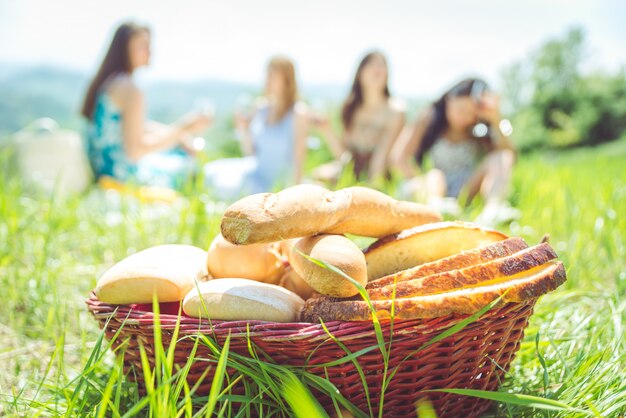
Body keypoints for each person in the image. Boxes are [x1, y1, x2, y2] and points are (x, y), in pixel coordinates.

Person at [81, 22, 211, 190]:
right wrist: (183, 128)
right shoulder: (130, 89)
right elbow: (135, 151)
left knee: (176, 149)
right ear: (125, 49)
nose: (150, 51)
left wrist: (177, 136)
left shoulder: (110, 82)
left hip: (103, 168)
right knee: (190, 163)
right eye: (143, 45)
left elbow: (129, 128)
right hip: (121, 176)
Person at [391, 78, 518, 224]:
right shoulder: (429, 118)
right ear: (449, 101)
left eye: (472, 113)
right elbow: (398, 157)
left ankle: (493, 210)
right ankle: (436, 208)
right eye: (461, 110)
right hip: (432, 186)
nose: (466, 117)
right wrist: (420, 181)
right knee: (435, 175)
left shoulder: (480, 128)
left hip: (467, 189)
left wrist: (495, 119)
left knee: (502, 155)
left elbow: (508, 156)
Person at [204, 56, 308, 199]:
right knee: (210, 171)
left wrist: (295, 196)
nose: (267, 79)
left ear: (287, 79)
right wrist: (243, 129)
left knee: (225, 187)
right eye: (267, 74)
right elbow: (251, 153)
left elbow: (298, 160)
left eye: (273, 75)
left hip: (274, 185)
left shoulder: (298, 113)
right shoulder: (261, 107)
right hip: (255, 173)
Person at [316, 51, 405, 182]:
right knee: (316, 178)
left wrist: (370, 188)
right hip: (350, 171)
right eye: (371, 65)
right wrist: (326, 130)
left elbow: (381, 158)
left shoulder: (395, 111)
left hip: (380, 177)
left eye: (381, 65)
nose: (377, 69)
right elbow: (344, 156)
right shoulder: (350, 108)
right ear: (360, 73)